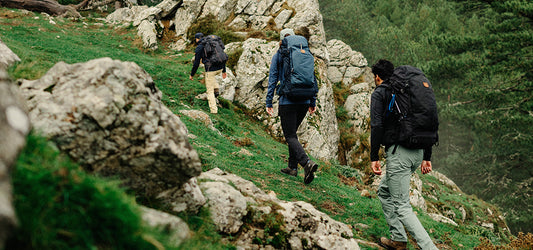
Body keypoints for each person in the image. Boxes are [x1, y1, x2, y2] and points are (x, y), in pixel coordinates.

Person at [370, 59, 438, 250]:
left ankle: (430, 248)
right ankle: (398, 239)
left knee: (402, 206)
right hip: (417, 153)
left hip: (400, 154)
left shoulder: (381, 92)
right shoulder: (408, 92)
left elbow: (376, 125)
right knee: (384, 191)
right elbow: (428, 120)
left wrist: (373, 156)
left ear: (377, 77)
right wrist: (427, 156)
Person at [265, 28, 318, 184]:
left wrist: (269, 102)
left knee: (289, 136)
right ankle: (292, 168)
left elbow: (273, 79)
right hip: (304, 100)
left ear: (281, 40)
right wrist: (312, 101)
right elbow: (312, 78)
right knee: (293, 134)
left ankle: (306, 163)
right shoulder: (304, 53)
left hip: (288, 100)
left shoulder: (279, 55)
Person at [190, 32, 227, 114]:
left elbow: (196, 63)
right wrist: (224, 70)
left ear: (197, 39)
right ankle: (216, 89)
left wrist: (192, 74)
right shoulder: (213, 43)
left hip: (211, 70)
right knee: (212, 78)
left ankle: (214, 111)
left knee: (209, 91)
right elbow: (221, 55)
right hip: (220, 67)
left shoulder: (200, 47)